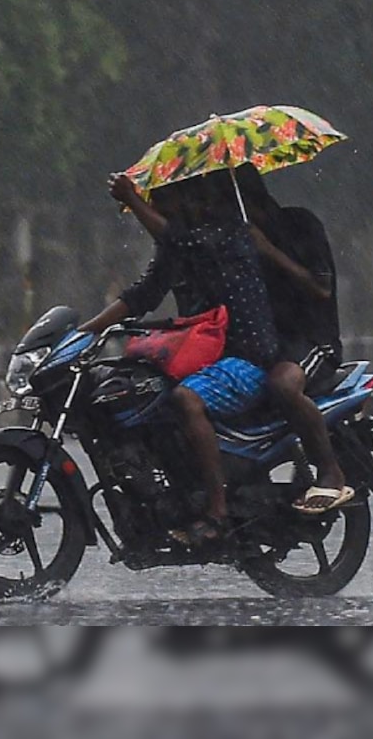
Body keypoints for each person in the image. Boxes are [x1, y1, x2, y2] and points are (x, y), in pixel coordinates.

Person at [78, 173, 279, 546]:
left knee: (187, 399)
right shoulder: (179, 246)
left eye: (162, 200)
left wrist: (132, 200)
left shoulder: (227, 234)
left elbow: (179, 240)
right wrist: (83, 332)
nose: (156, 206)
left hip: (245, 358)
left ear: (191, 199)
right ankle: (173, 492)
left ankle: (217, 513)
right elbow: (144, 294)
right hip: (202, 359)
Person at [231, 163, 352, 515]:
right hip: (265, 343)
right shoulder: (234, 241)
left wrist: (268, 250)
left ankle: (330, 471)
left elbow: (320, 287)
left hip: (311, 341)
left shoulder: (301, 225)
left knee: (283, 386)